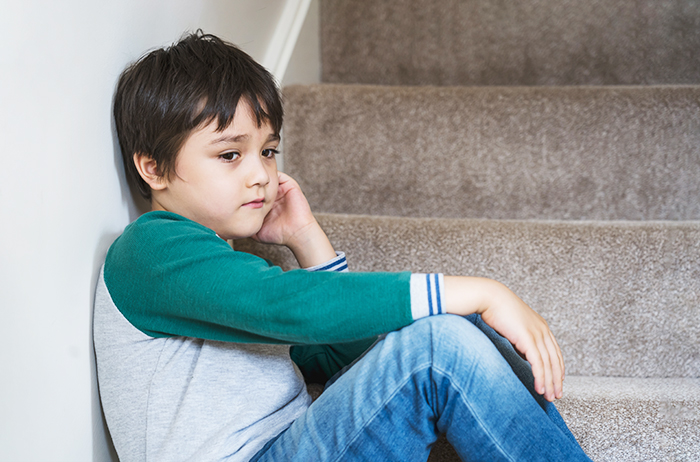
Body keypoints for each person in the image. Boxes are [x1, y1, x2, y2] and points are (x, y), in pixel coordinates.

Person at [94, 30, 591, 461]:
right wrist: (480, 291)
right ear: (152, 167)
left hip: (297, 444)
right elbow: (287, 307)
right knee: (440, 344)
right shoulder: (150, 250)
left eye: (268, 152)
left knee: (453, 331)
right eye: (230, 155)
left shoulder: (221, 271)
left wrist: (307, 241)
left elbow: (344, 357)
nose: (261, 175)